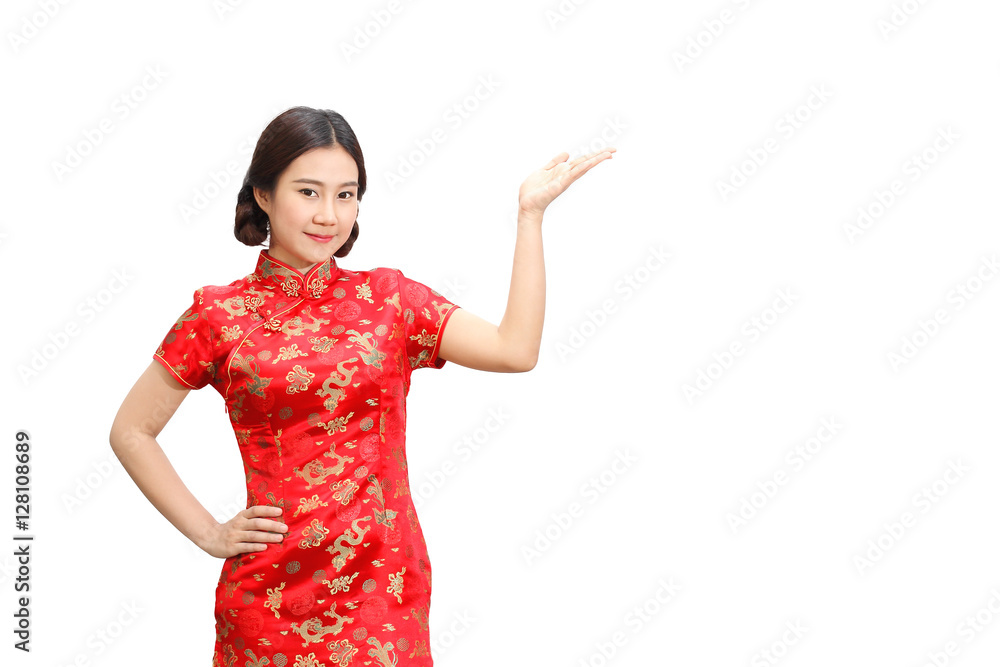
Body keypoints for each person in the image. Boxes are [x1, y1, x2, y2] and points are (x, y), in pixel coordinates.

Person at [109, 105, 614, 665]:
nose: (329, 214)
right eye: (308, 192)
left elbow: (514, 350)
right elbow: (132, 430)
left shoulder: (388, 300)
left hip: (382, 590)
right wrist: (208, 532)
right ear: (262, 195)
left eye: (346, 195)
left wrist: (529, 217)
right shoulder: (219, 315)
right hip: (268, 599)